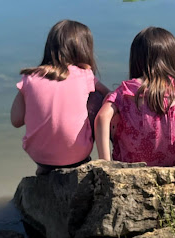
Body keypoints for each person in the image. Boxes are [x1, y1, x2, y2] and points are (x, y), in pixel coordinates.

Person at [95, 27, 175, 167]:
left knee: (111, 105)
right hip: (172, 165)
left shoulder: (126, 90)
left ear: (136, 59)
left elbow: (101, 118)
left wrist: (106, 165)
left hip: (130, 166)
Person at [11, 19, 109, 174]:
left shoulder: (30, 77)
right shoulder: (85, 75)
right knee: (97, 98)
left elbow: (16, 120)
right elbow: (109, 96)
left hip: (38, 155)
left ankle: (44, 169)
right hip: (77, 155)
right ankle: (86, 161)